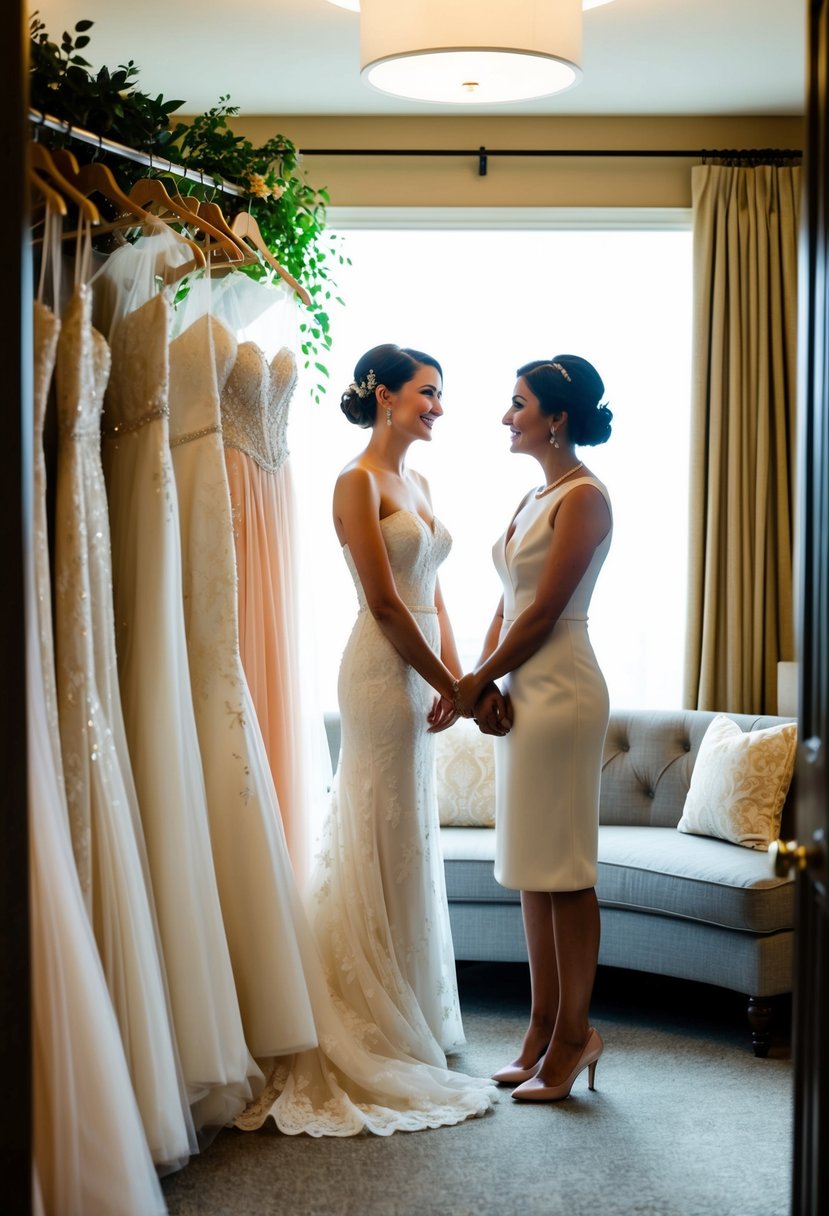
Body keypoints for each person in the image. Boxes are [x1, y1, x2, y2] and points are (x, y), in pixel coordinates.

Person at [231, 344, 495, 1137]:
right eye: (427, 393)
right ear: (384, 394)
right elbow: (383, 603)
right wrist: (445, 683)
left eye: (440, 395)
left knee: (407, 834)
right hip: (380, 673)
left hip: (422, 671)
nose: (438, 407)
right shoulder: (355, 481)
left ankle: (407, 1004)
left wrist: (464, 679)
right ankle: (358, 1013)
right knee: (374, 823)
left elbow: (434, 595)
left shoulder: (420, 483)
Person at [454, 354, 613, 1102]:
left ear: (555, 416)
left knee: (565, 869)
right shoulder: (530, 496)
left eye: (516, 404)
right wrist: (486, 682)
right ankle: (540, 1026)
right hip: (520, 686)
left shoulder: (584, 498)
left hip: (562, 691)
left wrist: (474, 680)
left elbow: (545, 612)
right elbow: (505, 603)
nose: (504, 416)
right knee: (528, 867)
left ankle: (575, 1036)